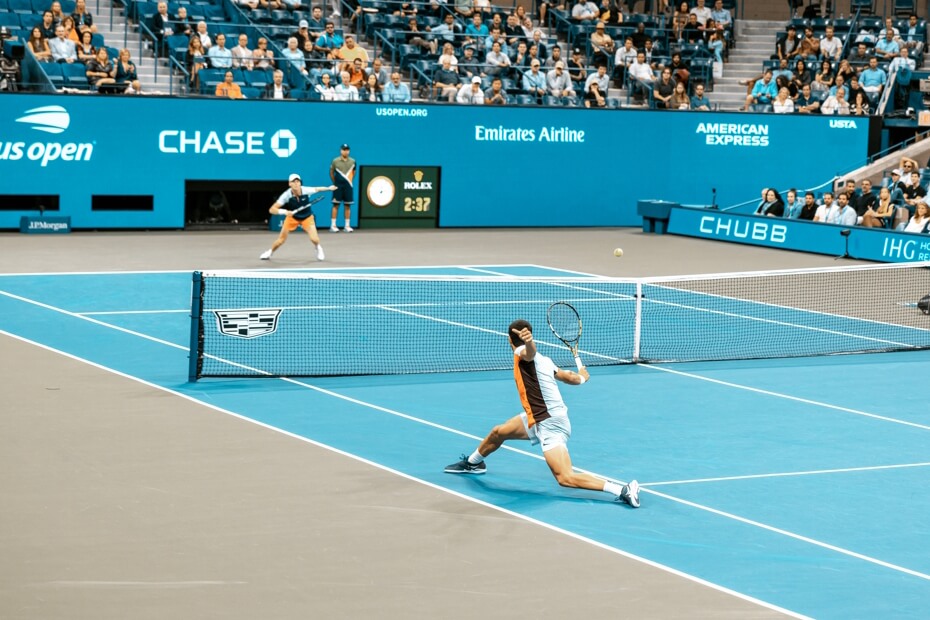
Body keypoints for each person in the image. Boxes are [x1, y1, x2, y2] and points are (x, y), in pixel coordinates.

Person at [443, 319, 640, 509]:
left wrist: (529, 343)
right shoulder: (545, 361)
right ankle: (473, 463)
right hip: (539, 418)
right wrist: (581, 378)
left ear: (509, 340)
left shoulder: (522, 352)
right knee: (499, 432)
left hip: (550, 424)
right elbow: (567, 376)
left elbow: (529, 353)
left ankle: (622, 489)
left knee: (565, 478)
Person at [260, 173, 337, 262]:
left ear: (300, 183)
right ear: (290, 184)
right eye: (294, 181)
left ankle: (318, 247)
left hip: (307, 217)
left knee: (314, 239)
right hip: (292, 218)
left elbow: (318, 189)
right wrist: (285, 212)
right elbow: (272, 210)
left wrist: (328, 188)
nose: (296, 183)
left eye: (298, 181)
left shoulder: (306, 190)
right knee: (281, 240)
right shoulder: (286, 195)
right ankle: (270, 252)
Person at [330, 144, 356, 232]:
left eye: (347, 149)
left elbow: (354, 173)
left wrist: (348, 181)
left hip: (348, 186)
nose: (346, 151)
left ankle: (347, 226)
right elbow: (331, 172)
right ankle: (333, 226)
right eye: (344, 149)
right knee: (336, 205)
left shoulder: (353, 161)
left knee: (348, 205)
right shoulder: (335, 161)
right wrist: (336, 183)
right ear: (341, 150)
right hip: (338, 186)